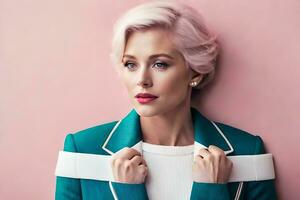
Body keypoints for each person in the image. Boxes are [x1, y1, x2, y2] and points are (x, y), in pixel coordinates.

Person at [55, 1, 277, 199]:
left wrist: (211, 190)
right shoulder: (81, 150)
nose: (142, 80)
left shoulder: (248, 151)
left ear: (195, 73)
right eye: (130, 64)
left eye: (159, 64)